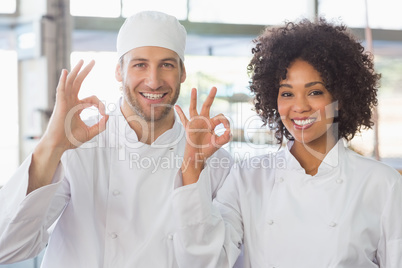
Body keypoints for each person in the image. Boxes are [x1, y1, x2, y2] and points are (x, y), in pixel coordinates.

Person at [0, 11, 233, 267]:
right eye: (139, 64)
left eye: (167, 64)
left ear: (182, 72)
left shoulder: (215, 162)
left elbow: (214, 262)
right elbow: (8, 247)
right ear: (119, 72)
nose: (154, 81)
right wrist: (51, 145)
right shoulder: (79, 145)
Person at [172, 18, 402, 267]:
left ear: (341, 98)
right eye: (287, 93)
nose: (300, 107)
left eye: (315, 92)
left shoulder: (382, 184)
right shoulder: (248, 178)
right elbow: (204, 258)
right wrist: (193, 161)